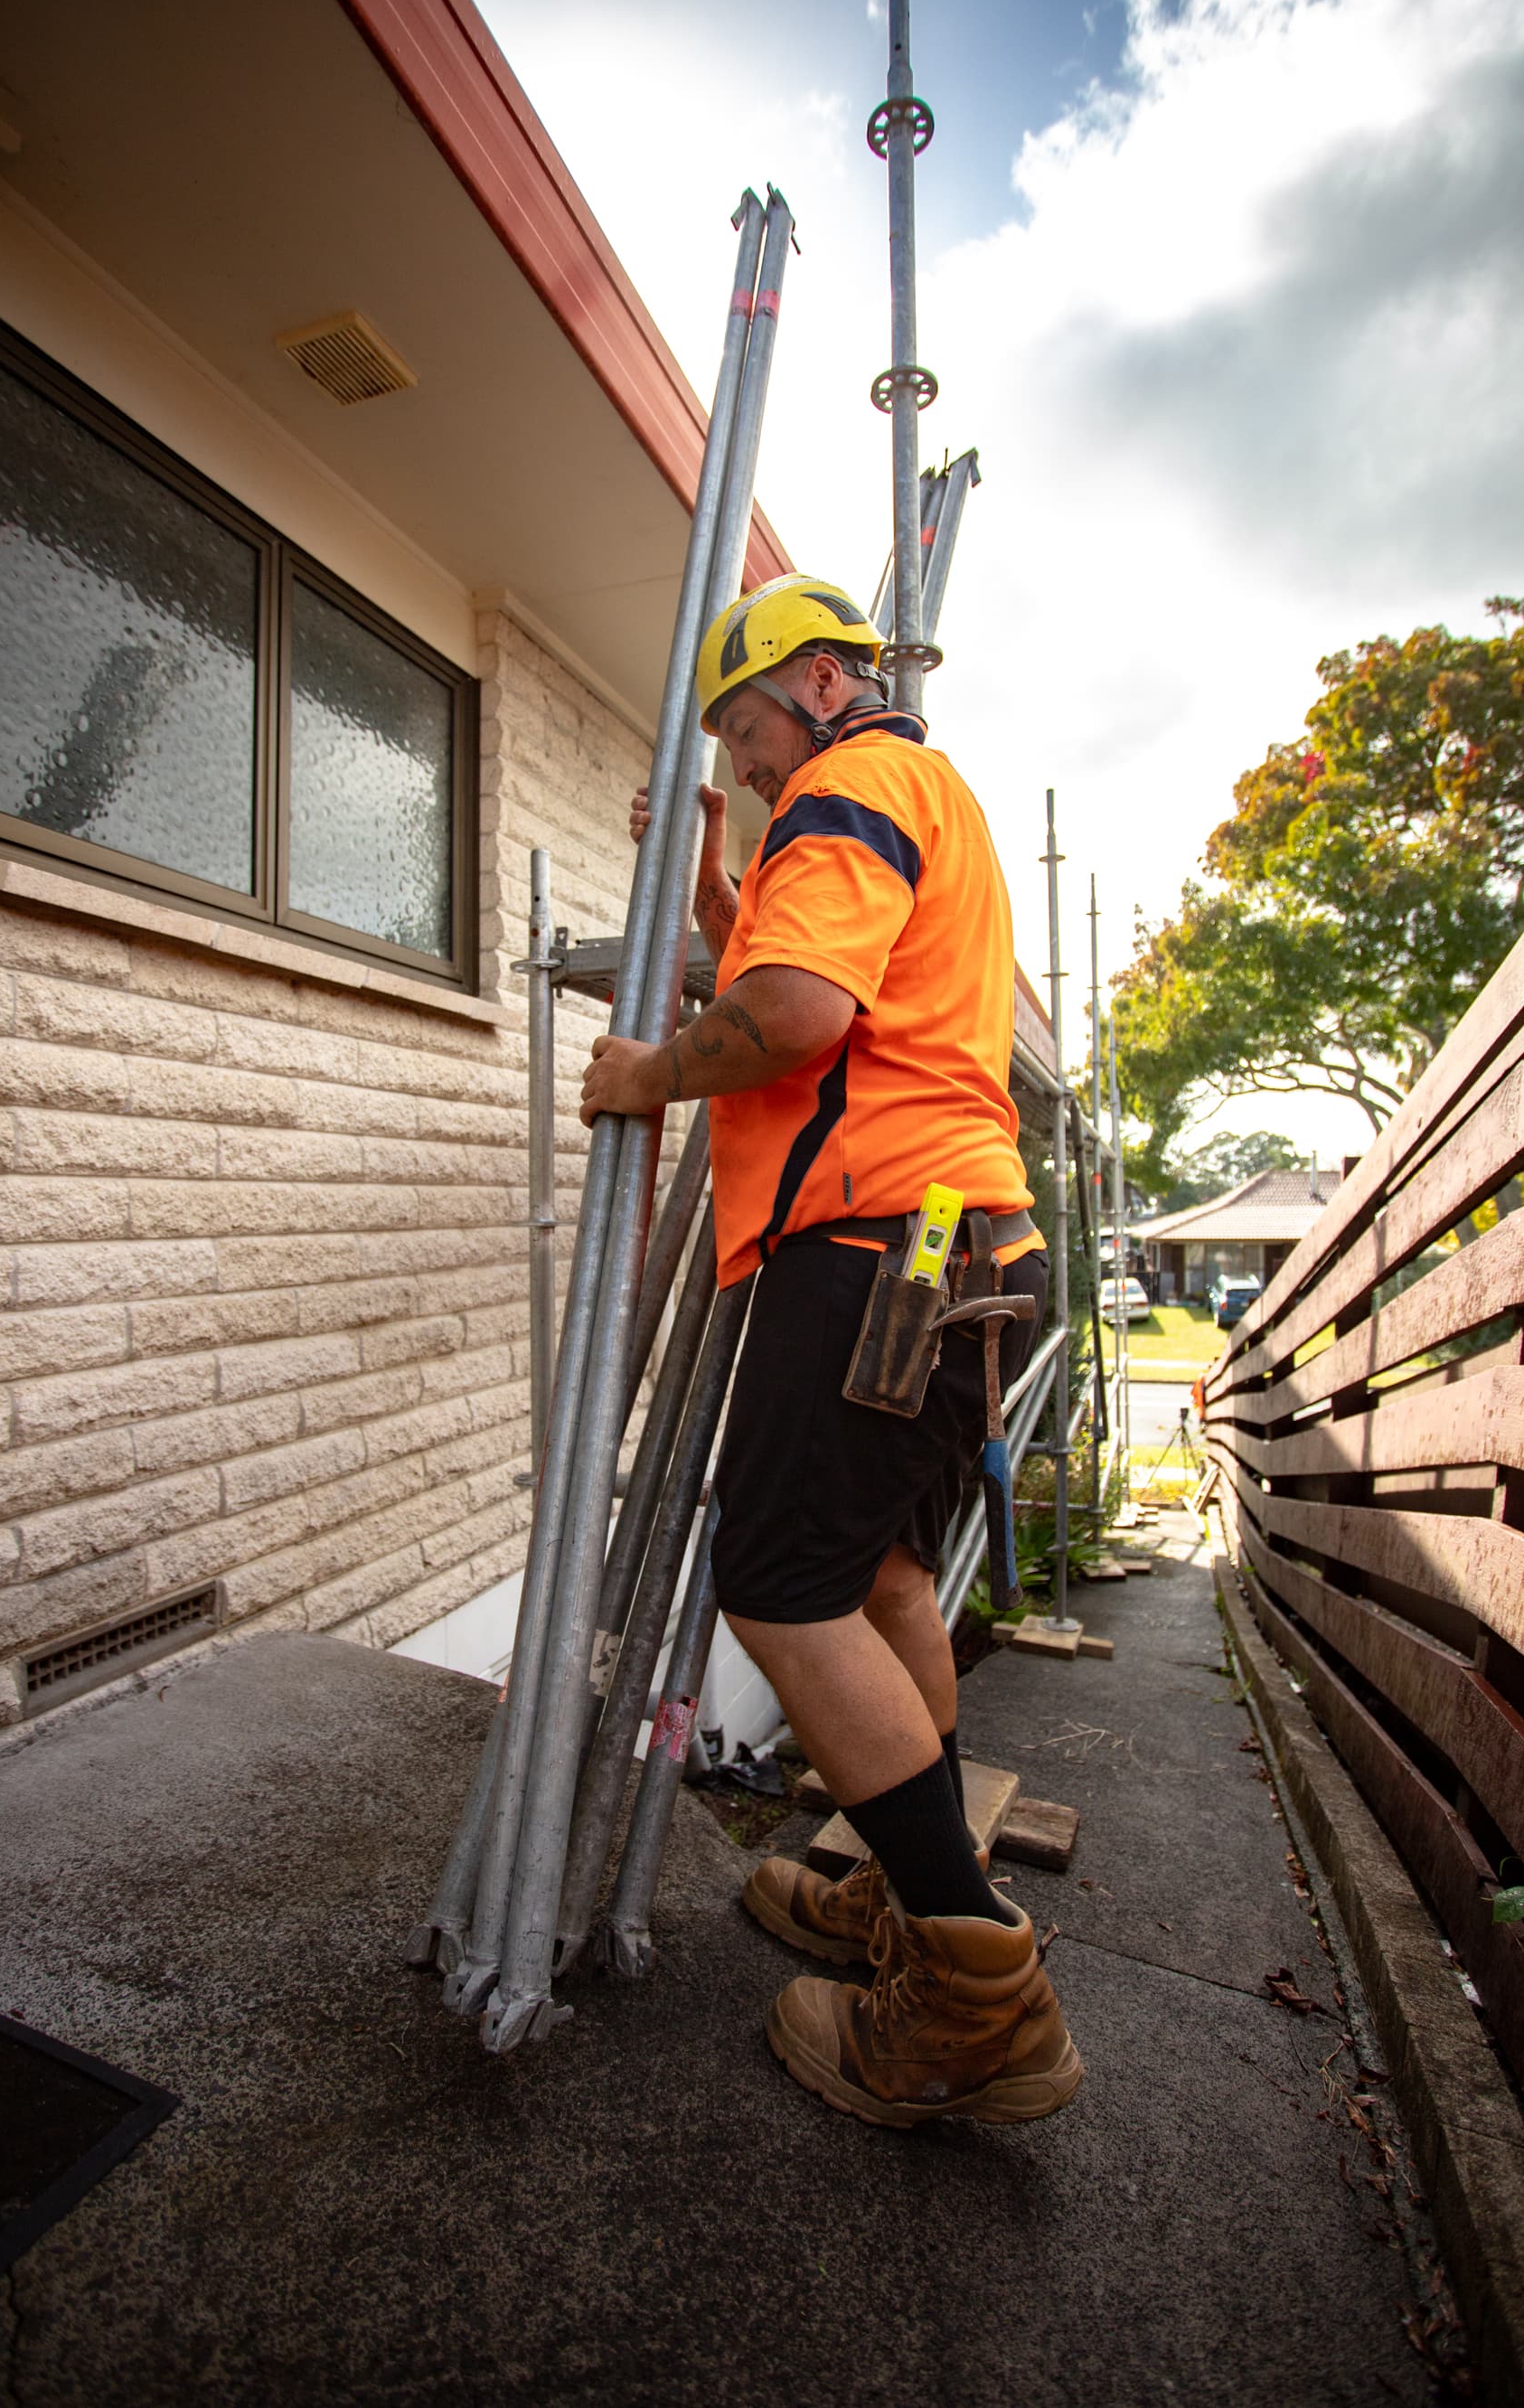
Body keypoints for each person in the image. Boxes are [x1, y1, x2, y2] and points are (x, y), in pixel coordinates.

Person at [582, 573, 1082, 2130]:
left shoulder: (850, 783)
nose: (738, 761)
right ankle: (904, 1887)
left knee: (784, 1587)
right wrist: (728, 887)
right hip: (963, 1247)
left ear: (811, 684)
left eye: (741, 730)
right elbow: (817, 977)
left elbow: (793, 1014)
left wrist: (650, 1073)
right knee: (885, 1582)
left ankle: (972, 1992)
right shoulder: (924, 789)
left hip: (874, 1242)